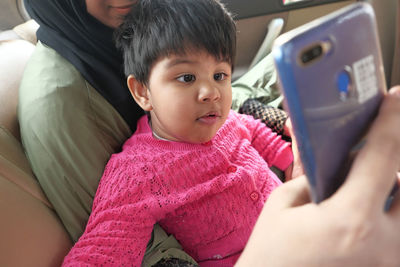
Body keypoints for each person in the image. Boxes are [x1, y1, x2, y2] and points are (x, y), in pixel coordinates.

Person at [19, 0, 286, 265]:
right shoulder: (138, 174)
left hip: (287, 217)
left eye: (220, 76)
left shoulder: (219, 119)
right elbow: (103, 249)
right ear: (142, 91)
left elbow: (251, 130)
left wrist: (293, 160)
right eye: (186, 78)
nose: (211, 93)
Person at [236, 86, 400, 266]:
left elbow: (248, 113)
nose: (209, 93)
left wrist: (290, 132)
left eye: (219, 76)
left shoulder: (238, 119)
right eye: (196, 78)